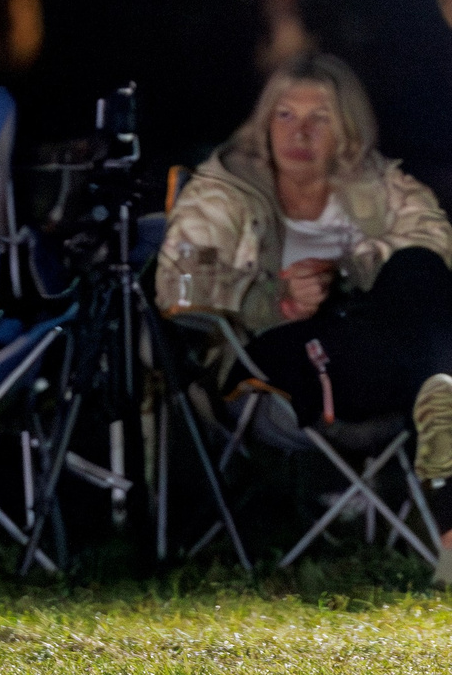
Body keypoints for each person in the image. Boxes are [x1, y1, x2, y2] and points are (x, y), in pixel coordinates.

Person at [154, 52, 452, 575]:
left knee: (418, 266)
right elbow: (177, 283)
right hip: (273, 361)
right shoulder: (228, 189)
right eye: (285, 115)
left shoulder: (381, 186)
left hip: (376, 358)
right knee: (430, 353)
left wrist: (344, 274)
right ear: (265, 122)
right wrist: (276, 298)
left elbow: (434, 244)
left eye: (320, 119)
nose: (300, 133)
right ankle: (446, 515)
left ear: (347, 130)